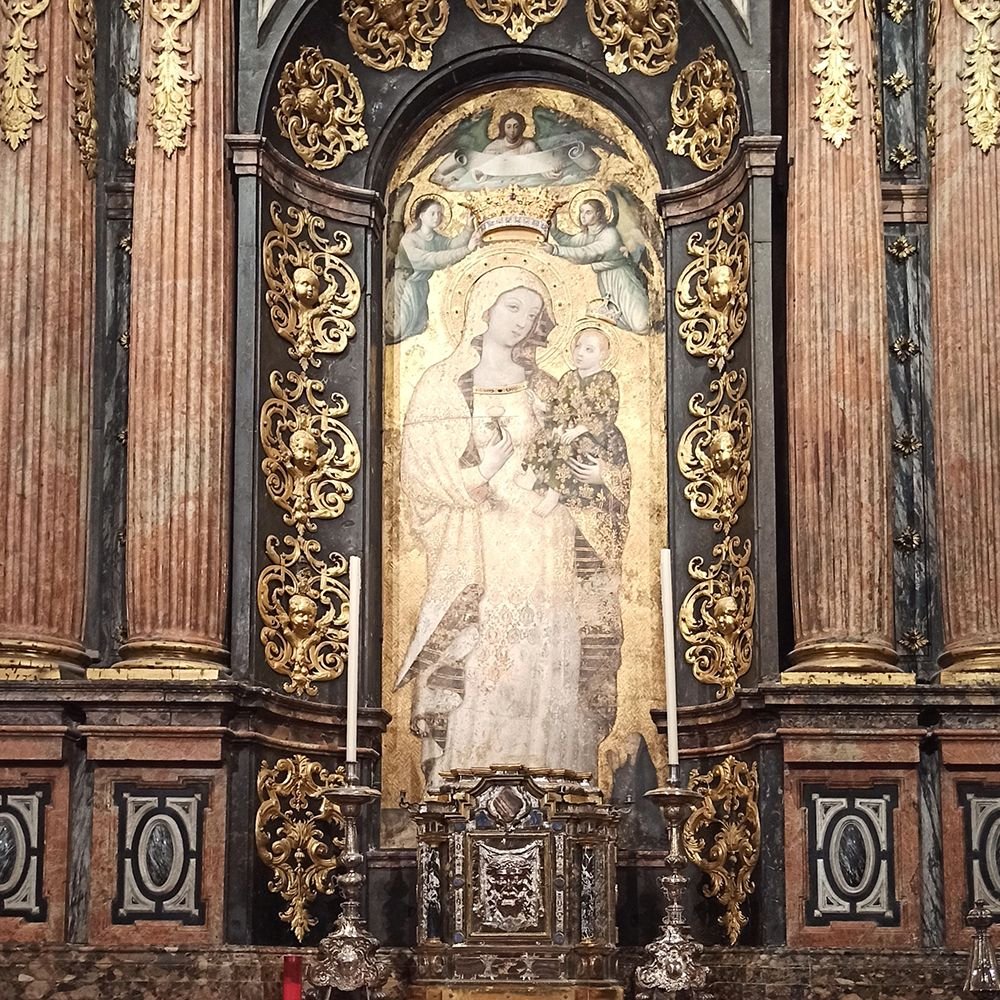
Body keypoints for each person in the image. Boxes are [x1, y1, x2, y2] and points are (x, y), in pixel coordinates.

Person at [396, 267, 599, 787]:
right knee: (484, 646)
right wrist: (485, 470)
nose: (522, 322)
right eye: (513, 307)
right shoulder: (441, 383)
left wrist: (576, 474)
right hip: (479, 539)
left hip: (540, 534)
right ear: (482, 306)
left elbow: (575, 453)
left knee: (540, 651)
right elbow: (421, 473)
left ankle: (549, 781)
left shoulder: (547, 388)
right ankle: (465, 782)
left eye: (531, 314)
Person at [522, 325, 627, 536]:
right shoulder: (569, 378)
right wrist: (544, 408)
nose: (580, 352)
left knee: (568, 446)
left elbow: (606, 412)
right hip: (569, 427)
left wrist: (580, 429)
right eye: (578, 346)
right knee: (545, 438)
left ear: (603, 356)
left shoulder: (606, 380)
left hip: (597, 437)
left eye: (589, 349)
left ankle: (554, 493)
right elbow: (560, 403)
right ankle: (533, 476)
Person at [545, 199, 650, 333]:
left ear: (599, 214)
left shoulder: (609, 234)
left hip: (622, 279)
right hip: (605, 281)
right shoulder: (586, 235)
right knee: (617, 317)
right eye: (581, 212)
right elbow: (569, 242)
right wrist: (554, 229)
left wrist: (555, 250)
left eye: (588, 212)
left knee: (640, 324)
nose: (583, 215)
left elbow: (588, 253)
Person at [390, 197, 479, 343]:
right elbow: (432, 259)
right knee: (400, 327)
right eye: (432, 213)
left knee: (417, 327)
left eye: (440, 213)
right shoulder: (409, 240)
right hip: (405, 286)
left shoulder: (436, 238)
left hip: (420, 286)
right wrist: (467, 249)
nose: (437, 217)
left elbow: (452, 245)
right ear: (421, 215)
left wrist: (468, 227)